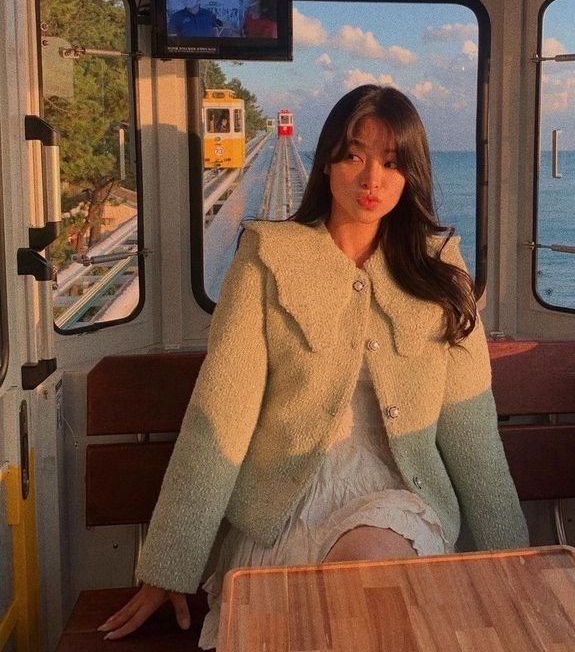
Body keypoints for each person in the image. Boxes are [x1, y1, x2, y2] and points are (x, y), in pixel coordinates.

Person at [98, 85, 528, 646]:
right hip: (283, 512)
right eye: (355, 156)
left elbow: (471, 433)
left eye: (392, 163)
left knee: (370, 572)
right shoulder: (267, 259)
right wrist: (170, 566)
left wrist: (516, 561)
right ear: (326, 162)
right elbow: (219, 418)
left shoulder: (440, 270)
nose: (372, 179)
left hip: (397, 500)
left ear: (411, 175)